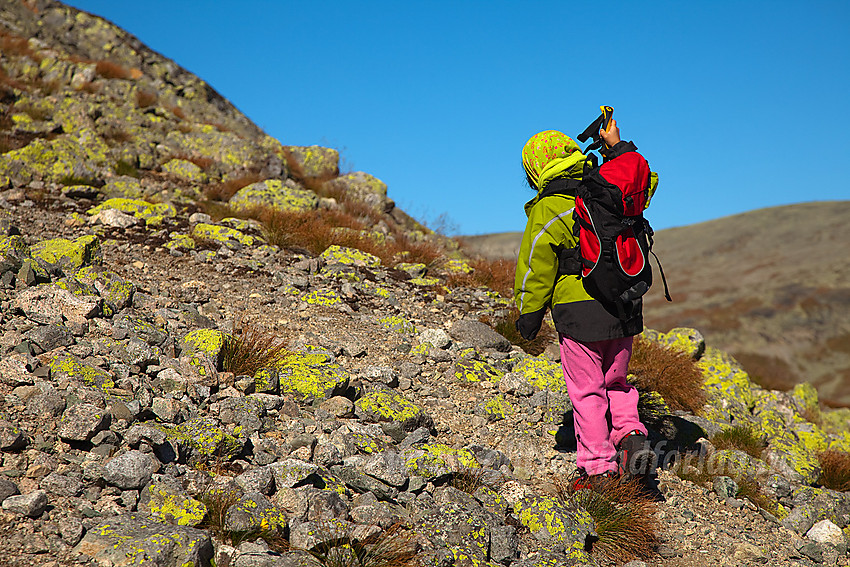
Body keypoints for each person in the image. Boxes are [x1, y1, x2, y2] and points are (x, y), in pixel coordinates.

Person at [514, 122, 653, 489]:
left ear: (536, 170)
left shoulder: (549, 208)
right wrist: (616, 147)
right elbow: (646, 180)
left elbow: (535, 265)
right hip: (624, 304)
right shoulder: (609, 189)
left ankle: (598, 469)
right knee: (617, 381)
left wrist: (529, 314)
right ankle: (630, 436)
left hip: (578, 314)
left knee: (587, 389)